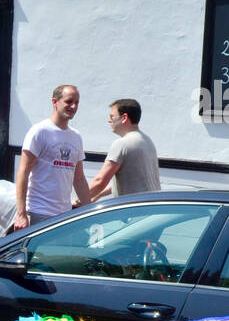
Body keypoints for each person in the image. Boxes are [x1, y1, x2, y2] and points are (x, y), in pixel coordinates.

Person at [14, 84, 90, 230]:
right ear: (55, 102)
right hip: (39, 211)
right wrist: (21, 213)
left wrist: (90, 212)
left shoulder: (76, 136)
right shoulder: (40, 131)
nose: (73, 106)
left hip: (64, 214)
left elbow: (79, 178)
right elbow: (23, 172)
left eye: (77, 103)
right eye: (69, 101)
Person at [89, 99, 161, 200]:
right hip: (151, 208)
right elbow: (132, 180)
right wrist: (98, 195)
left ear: (124, 118)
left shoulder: (122, 144)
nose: (109, 120)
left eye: (112, 116)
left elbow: (100, 181)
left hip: (135, 211)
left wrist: (78, 201)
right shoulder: (147, 141)